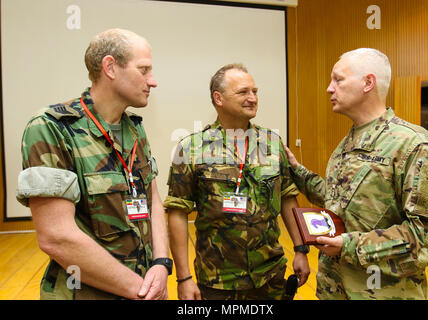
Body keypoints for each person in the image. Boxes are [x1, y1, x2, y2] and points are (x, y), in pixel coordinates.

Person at [16, 28, 172, 300]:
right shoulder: (51, 128)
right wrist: (141, 291)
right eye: (144, 70)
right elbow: (57, 237)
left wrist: (160, 265)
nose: (153, 81)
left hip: (146, 285)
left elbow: (152, 200)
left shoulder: (134, 129)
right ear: (110, 67)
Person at [284, 48, 428, 300]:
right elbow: (339, 201)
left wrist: (350, 245)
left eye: (338, 79)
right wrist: (298, 172)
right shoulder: (348, 142)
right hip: (334, 290)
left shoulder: (413, 146)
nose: (329, 88)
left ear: (368, 83)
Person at [164, 63, 310, 300]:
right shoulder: (191, 148)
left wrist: (301, 249)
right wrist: (183, 277)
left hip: (270, 275)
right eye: (243, 92)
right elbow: (178, 213)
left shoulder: (272, 143)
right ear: (218, 98)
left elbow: (287, 197)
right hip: (218, 280)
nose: (252, 98)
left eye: (255, 91)